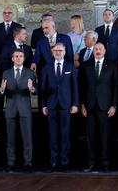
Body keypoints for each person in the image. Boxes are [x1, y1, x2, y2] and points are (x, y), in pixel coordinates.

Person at [39, 43, 79, 172]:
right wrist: (43, 105)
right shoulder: (46, 67)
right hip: (51, 106)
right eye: (55, 50)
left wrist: (75, 104)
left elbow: (75, 88)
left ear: (65, 51)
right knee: (53, 135)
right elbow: (43, 89)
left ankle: (64, 162)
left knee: (65, 135)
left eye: (60, 50)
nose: (58, 52)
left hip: (66, 105)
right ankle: (53, 162)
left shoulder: (70, 67)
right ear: (52, 52)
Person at [79, 42, 118, 172]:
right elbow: (82, 87)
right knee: (90, 136)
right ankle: (91, 163)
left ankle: (105, 163)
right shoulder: (86, 65)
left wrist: (113, 105)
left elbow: (116, 86)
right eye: (96, 49)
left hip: (105, 106)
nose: (98, 51)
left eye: (100, 49)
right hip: (89, 106)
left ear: (105, 51)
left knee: (105, 136)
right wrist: (82, 104)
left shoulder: (112, 65)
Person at [0, 49, 37, 173]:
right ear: (12, 58)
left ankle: (28, 163)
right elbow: (1, 93)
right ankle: (10, 163)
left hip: (25, 109)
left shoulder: (30, 72)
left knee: (27, 138)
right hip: (10, 109)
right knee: (10, 138)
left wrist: (32, 88)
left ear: (24, 58)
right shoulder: (6, 73)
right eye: (16, 56)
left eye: (21, 56)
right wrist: (1, 90)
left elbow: (36, 91)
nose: (19, 58)